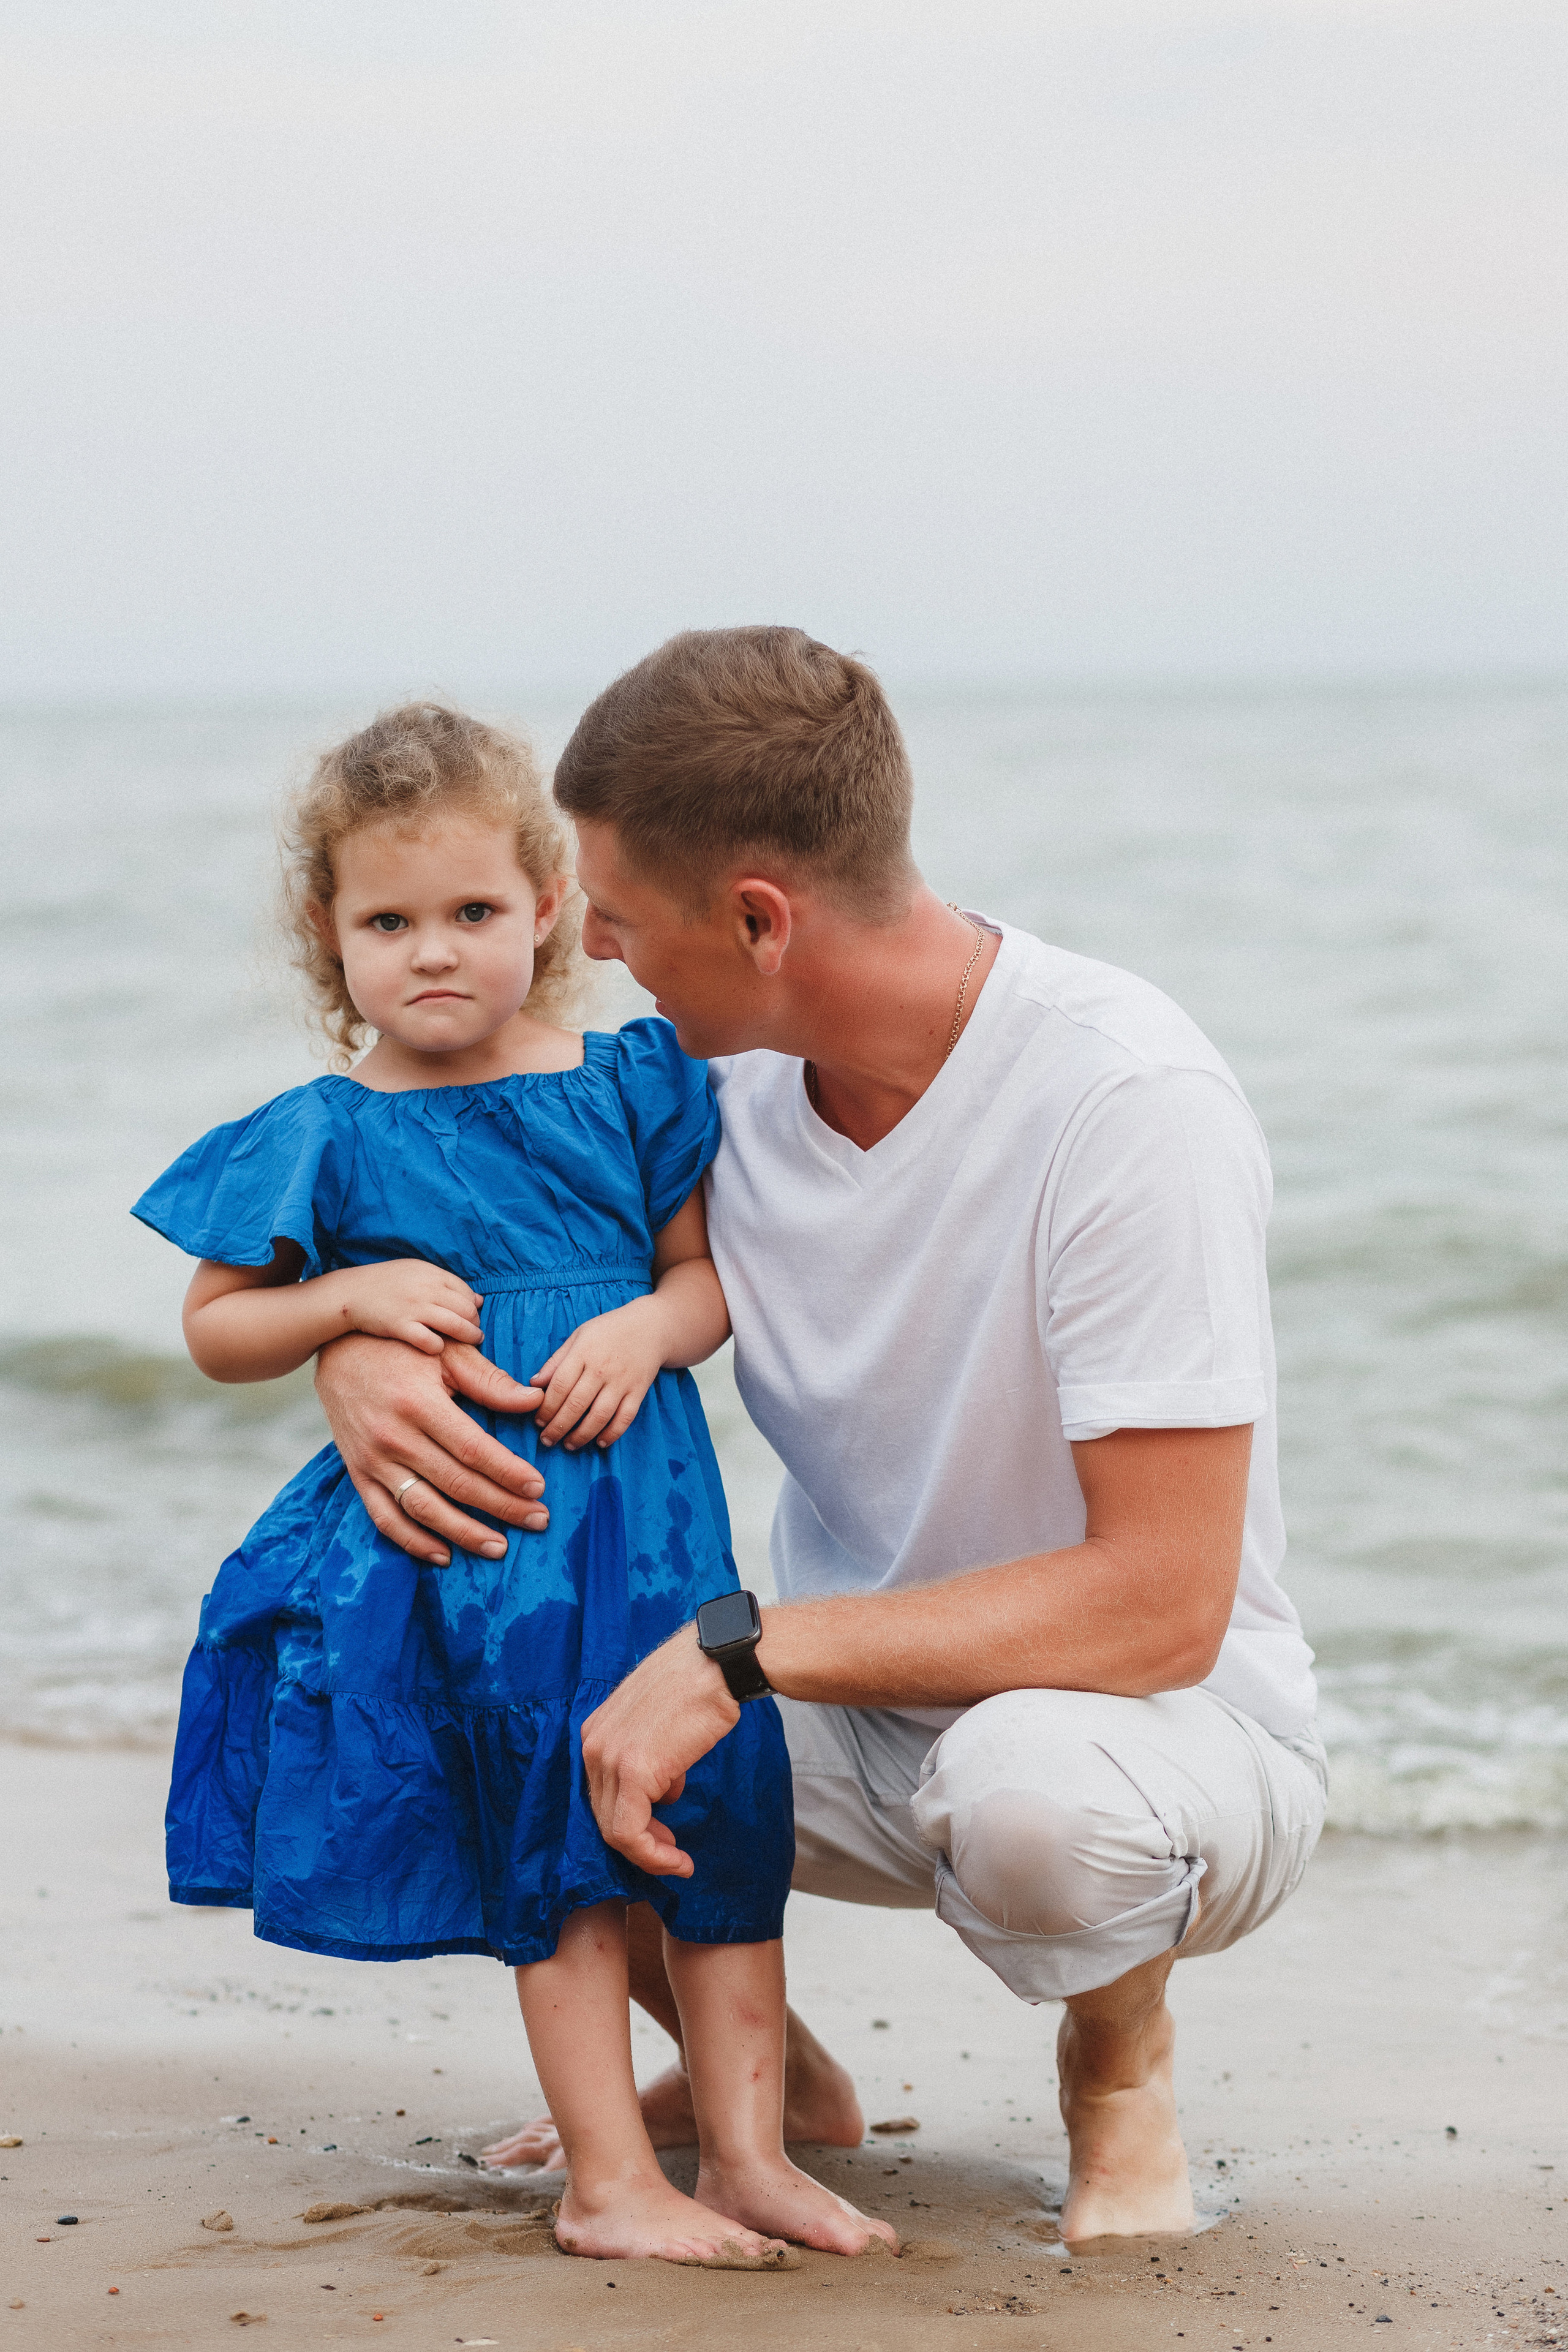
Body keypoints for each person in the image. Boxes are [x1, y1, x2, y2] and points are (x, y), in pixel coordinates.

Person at [311, 633, 1329, 2249]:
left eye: (630, 928)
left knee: (1029, 1798)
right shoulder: (725, 1090)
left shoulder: (1126, 1102)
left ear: (760, 921)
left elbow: (1164, 1605)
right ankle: (778, 2087)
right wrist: (351, 1355)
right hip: (850, 1713)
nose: (612, 962)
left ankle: (1122, 2069)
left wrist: (737, 1649)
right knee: (510, 1704)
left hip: (1161, 1736)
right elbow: (465, 1218)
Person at [130, 700, 895, 2266]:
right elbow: (217, 1327)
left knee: (715, 1815)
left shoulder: (630, 1079)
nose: (433, 951)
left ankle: (749, 2150)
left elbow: (708, 1285)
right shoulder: (324, 1134)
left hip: (651, 1526)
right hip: (475, 1550)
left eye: (473, 912)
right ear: (324, 934)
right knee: (551, 1843)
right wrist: (344, 1303)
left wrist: (639, 1323)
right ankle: (611, 2181)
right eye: (387, 920)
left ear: (548, 910)